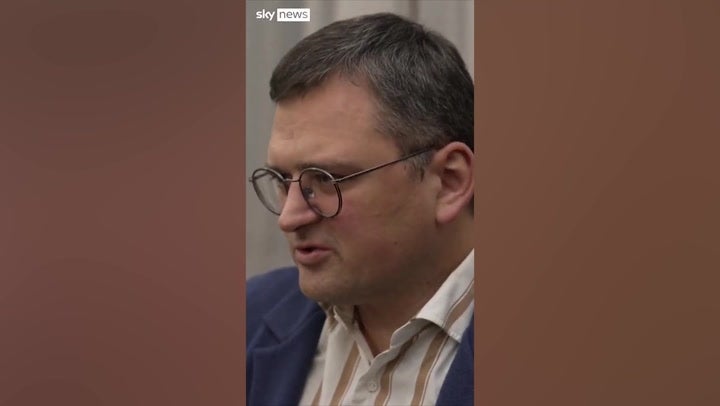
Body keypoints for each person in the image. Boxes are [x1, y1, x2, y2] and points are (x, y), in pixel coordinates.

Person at [246, 12, 474, 406]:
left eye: (327, 179)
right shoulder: (250, 318)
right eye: (282, 180)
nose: (289, 217)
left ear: (449, 181)